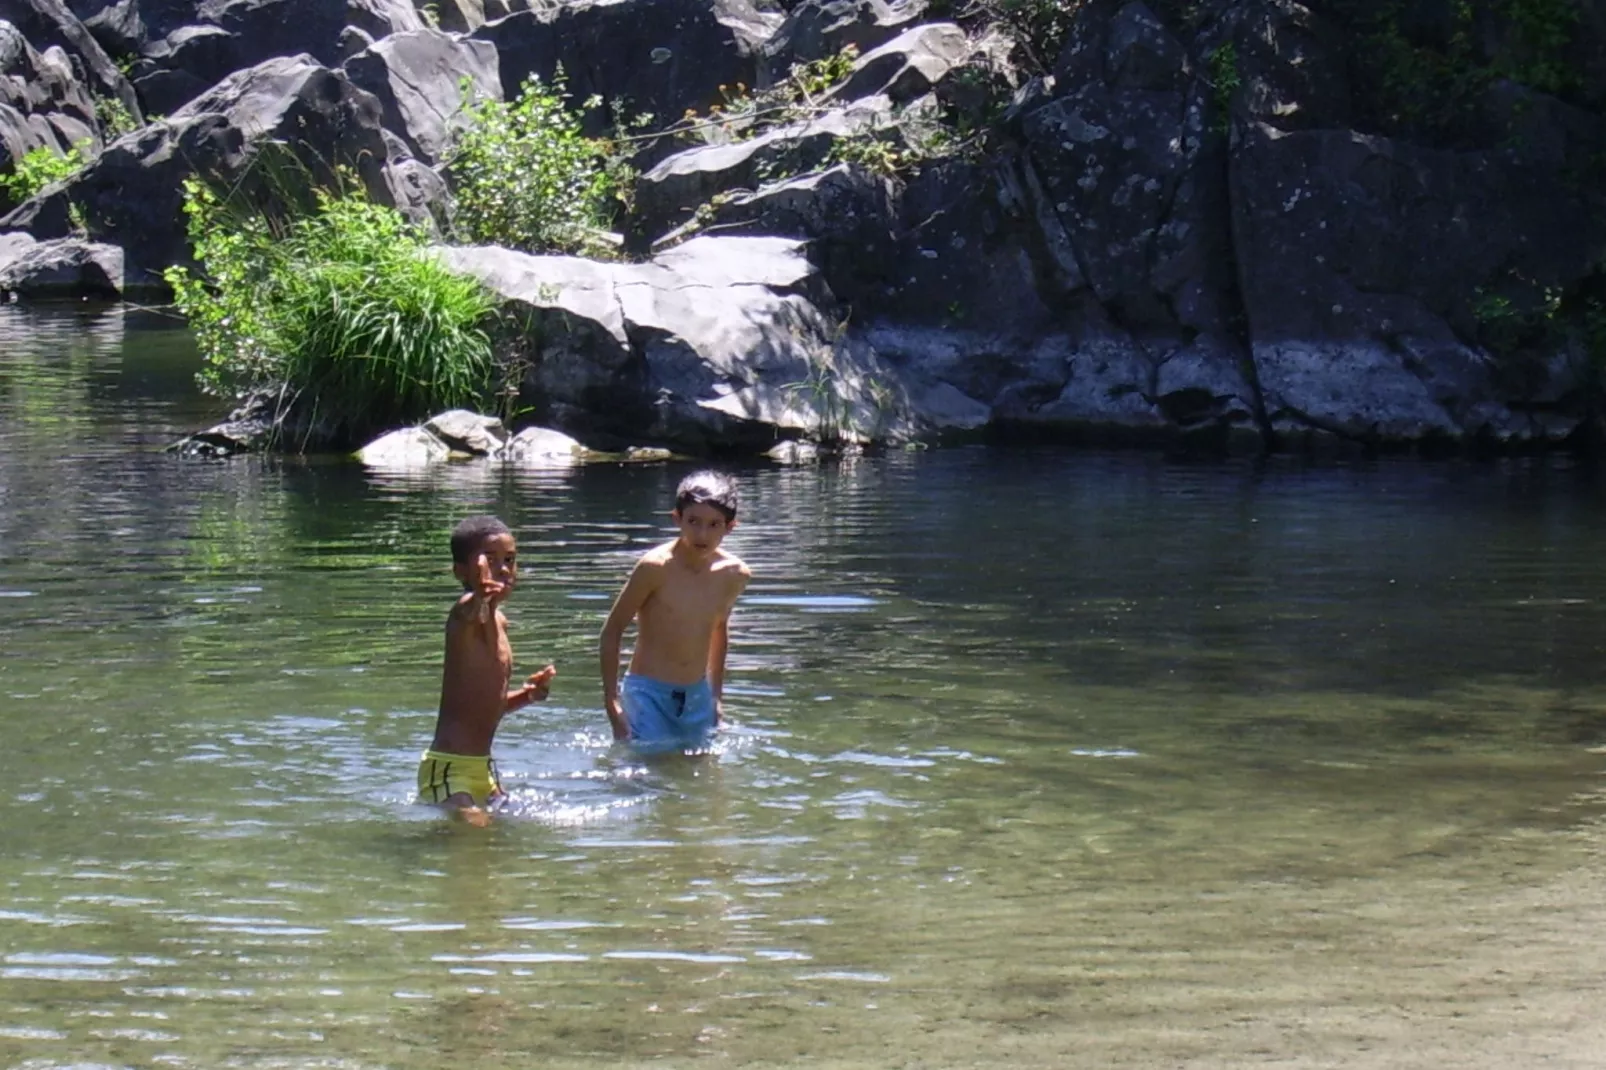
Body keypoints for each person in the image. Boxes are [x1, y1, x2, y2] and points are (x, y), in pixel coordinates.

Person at [417, 515, 556, 823]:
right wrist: (479, 595)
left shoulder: (500, 621)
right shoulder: (464, 614)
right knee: (477, 835)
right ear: (461, 571)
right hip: (449, 768)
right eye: (489, 560)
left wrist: (529, 696)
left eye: (509, 560)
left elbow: (487, 707)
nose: (503, 569)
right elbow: (470, 610)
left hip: (484, 770)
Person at [600, 470, 752, 751]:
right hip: (647, 695)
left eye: (713, 524)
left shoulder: (734, 574)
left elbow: (718, 628)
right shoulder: (654, 568)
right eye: (693, 521)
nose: (702, 534)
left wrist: (716, 697)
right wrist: (612, 703)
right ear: (677, 518)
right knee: (648, 777)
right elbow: (612, 630)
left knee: (700, 779)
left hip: (697, 695)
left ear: (730, 527)